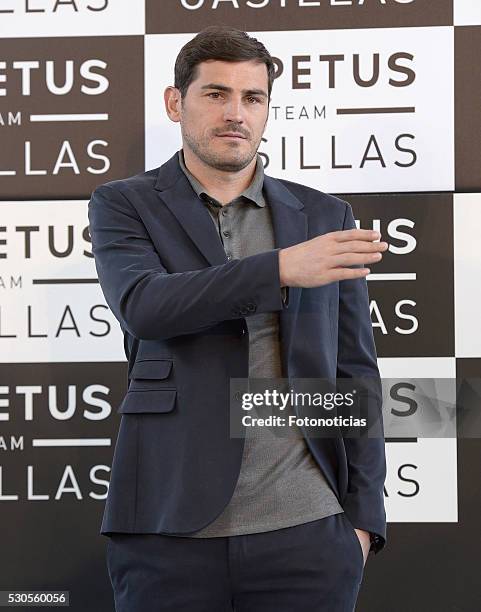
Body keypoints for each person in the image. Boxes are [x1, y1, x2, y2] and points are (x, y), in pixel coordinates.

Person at [88, 24, 388, 612]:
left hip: (309, 532)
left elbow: (355, 373)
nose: (236, 114)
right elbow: (146, 306)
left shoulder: (325, 215)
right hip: (167, 530)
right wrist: (278, 269)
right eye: (216, 94)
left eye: (252, 98)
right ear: (177, 103)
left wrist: (362, 520)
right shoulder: (124, 203)